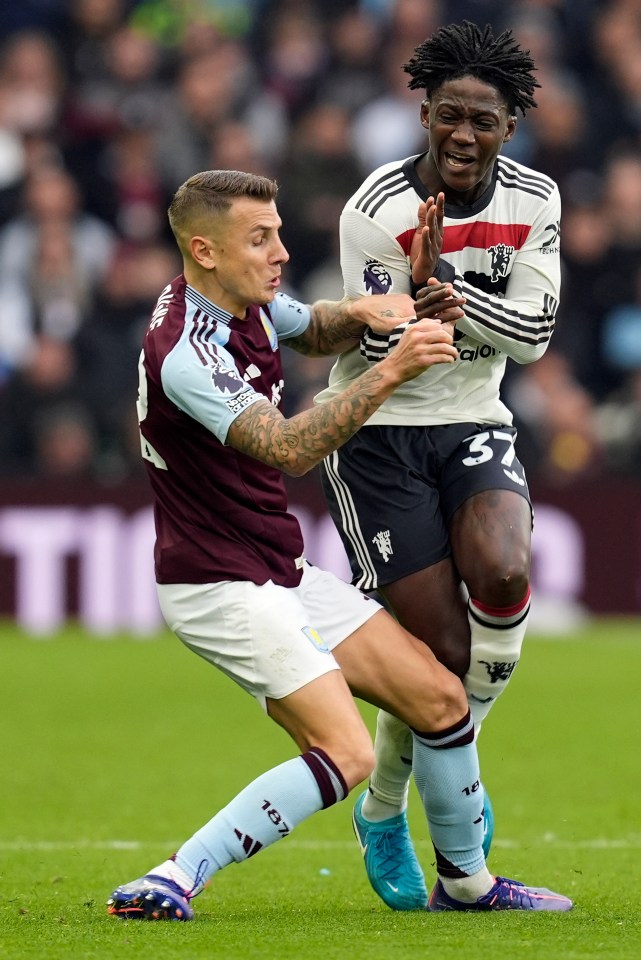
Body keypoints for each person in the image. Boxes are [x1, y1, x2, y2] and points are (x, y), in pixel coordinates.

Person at [106, 169, 571, 920]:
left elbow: (313, 327)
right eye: (261, 239)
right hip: (217, 586)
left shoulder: (243, 299)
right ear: (205, 250)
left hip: (278, 569)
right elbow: (288, 448)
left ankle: (467, 887)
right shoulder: (186, 353)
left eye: (279, 230)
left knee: (441, 697)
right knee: (349, 753)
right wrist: (392, 366)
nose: (281, 250)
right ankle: (173, 876)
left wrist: (368, 308)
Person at [316, 21, 561, 911]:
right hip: (379, 430)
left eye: (483, 122)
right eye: (448, 116)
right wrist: (417, 307)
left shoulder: (534, 200)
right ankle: (395, 816)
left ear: (508, 129)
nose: (463, 134)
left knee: (503, 573)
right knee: (439, 659)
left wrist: (457, 300)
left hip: (471, 415)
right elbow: (388, 337)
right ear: (421, 115)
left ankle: (401, 801)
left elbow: (533, 338)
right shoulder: (373, 209)